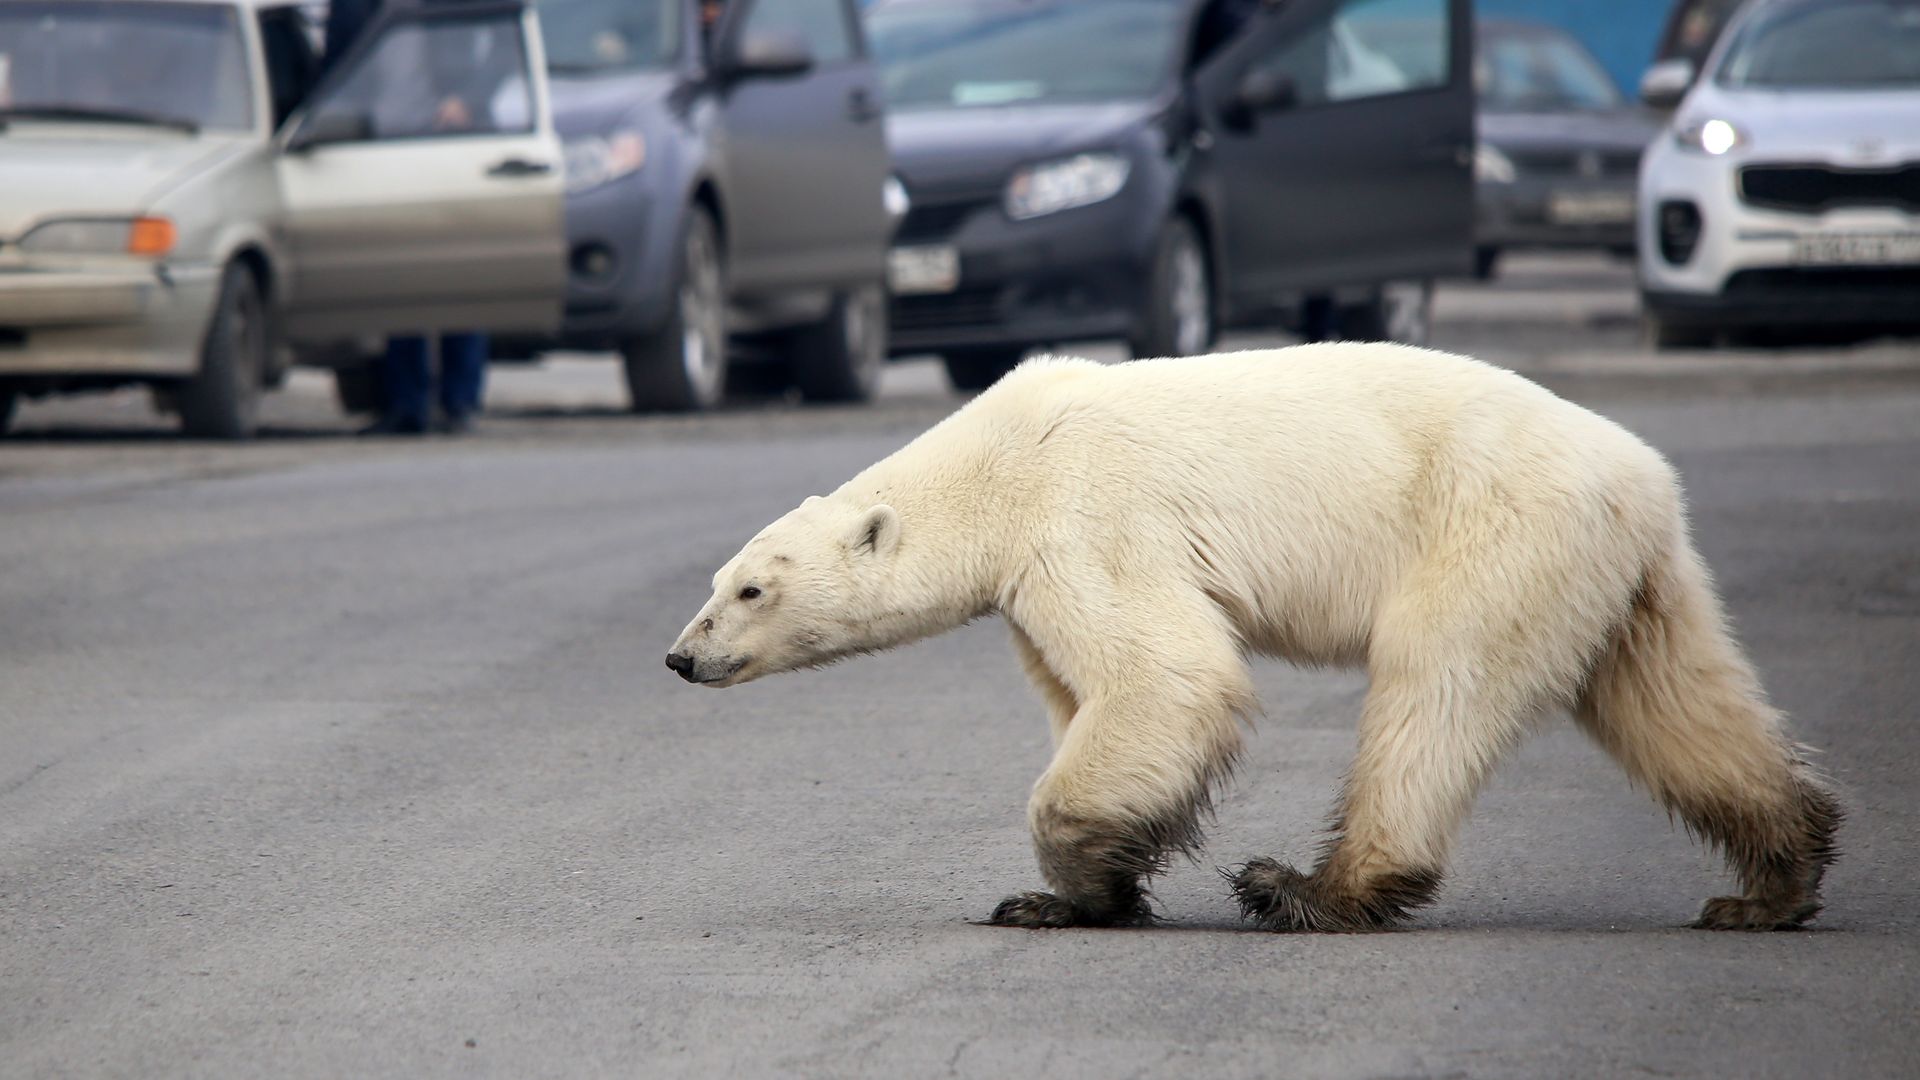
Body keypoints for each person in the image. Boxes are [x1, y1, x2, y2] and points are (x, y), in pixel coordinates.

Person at [324, 0, 499, 436]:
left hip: (449, 141)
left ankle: (460, 400)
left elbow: (501, 45)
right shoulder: (351, 6)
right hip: (379, 146)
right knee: (397, 278)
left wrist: (468, 99)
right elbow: (333, 68)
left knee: (460, 273)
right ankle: (406, 402)